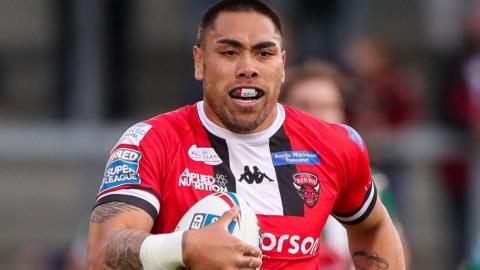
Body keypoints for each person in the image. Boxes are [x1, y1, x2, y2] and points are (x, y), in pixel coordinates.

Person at [88, 1, 406, 269]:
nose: (248, 67)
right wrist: (182, 248)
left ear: (282, 65)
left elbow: (374, 227)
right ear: (200, 61)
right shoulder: (152, 141)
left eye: (263, 54)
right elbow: (102, 251)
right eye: (229, 53)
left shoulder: (335, 145)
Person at [280, 60, 409, 269]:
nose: (316, 116)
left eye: (326, 106)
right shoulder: (264, 175)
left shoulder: (371, 181)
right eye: (304, 106)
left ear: (342, 114)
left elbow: (396, 250)